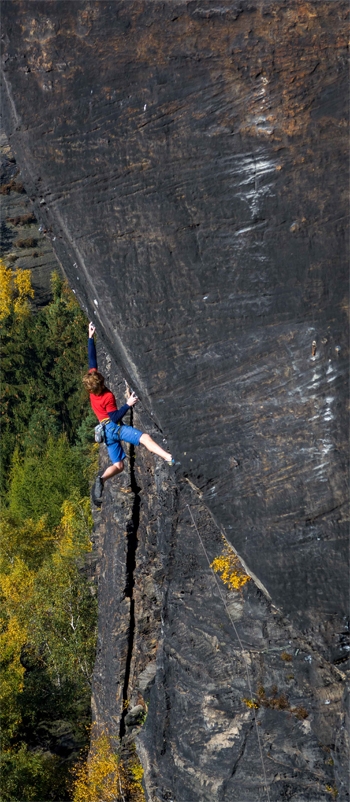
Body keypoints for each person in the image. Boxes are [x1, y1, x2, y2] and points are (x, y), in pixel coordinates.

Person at [83, 323, 174, 505]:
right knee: (145, 438)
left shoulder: (92, 391)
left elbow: (92, 361)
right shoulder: (106, 396)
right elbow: (115, 417)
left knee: (119, 465)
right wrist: (128, 404)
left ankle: (101, 479)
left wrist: (90, 337)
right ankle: (169, 458)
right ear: (100, 385)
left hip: (105, 433)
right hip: (113, 428)